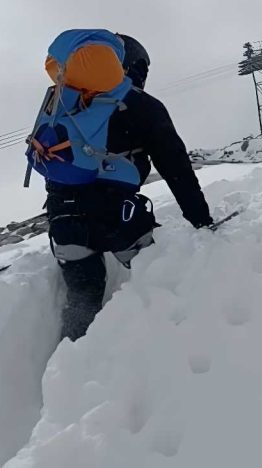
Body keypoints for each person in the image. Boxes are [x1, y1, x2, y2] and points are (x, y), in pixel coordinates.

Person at [26, 29, 213, 341]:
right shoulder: (143, 106)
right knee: (159, 281)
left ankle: (73, 371)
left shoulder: (63, 102)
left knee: (82, 301)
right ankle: (160, 355)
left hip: (64, 219)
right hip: (119, 219)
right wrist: (202, 220)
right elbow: (176, 170)